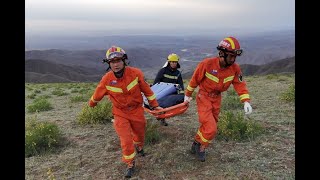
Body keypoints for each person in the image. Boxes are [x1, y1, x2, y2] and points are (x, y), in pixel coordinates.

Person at [88, 46, 162, 178]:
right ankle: (130, 163)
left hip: (136, 111)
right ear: (109, 63)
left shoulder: (136, 73)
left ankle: (139, 146)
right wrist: (92, 104)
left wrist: (155, 106)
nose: (115, 64)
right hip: (120, 113)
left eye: (118, 61)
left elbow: (147, 91)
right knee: (126, 139)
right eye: (112, 62)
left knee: (140, 134)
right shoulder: (107, 79)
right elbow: (97, 94)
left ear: (124, 61)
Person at [183, 37, 253, 162]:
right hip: (203, 97)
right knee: (211, 128)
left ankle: (196, 143)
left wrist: (246, 101)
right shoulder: (207, 64)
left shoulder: (235, 69)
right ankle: (201, 147)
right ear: (221, 53)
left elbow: (240, 84)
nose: (233, 59)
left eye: (234, 56)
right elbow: (194, 80)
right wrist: (187, 95)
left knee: (210, 125)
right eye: (231, 56)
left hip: (217, 99)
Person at [153, 53, 185, 126]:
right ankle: (161, 117)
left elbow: (180, 85)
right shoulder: (163, 71)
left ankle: (162, 116)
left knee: (179, 98)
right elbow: (156, 82)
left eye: (175, 62)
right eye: (172, 62)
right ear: (169, 62)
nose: (174, 63)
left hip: (171, 93)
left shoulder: (178, 73)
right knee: (162, 104)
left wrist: (182, 94)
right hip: (161, 92)